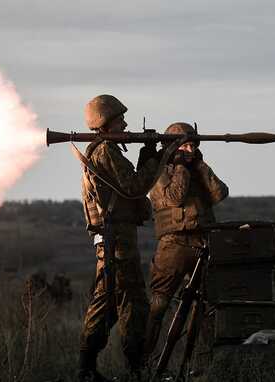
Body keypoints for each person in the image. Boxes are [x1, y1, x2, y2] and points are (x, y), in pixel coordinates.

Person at [76, 94, 162, 382]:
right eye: (120, 120)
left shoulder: (102, 151)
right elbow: (135, 186)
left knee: (109, 303)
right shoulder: (106, 153)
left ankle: (86, 368)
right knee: (133, 303)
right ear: (106, 124)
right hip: (117, 242)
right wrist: (151, 156)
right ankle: (136, 369)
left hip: (114, 239)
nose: (126, 125)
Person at [143, 122, 229, 360]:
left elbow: (219, 193)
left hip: (203, 242)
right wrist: (180, 166)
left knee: (206, 307)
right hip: (174, 245)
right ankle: (140, 363)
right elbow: (175, 197)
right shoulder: (158, 168)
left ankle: (204, 364)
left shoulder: (196, 169)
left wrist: (200, 165)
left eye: (194, 145)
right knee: (158, 306)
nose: (190, 150)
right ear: (173, 147)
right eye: (186, 145)